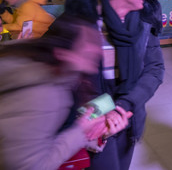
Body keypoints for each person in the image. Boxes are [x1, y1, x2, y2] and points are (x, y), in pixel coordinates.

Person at [60, 0, 165, 170]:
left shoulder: (144, 21)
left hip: (128, 114)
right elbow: (62, 73)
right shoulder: (81, 17)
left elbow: (155, 69)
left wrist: (123, 107)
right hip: (92, 120)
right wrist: (98, 113)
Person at [0, 16, 109, 170]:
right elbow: (29, 165)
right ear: (62, 53)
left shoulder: (56, 69)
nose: (97, 49)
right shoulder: (40, 95)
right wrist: (80, 131)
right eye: (88, 45)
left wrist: (106, 114)